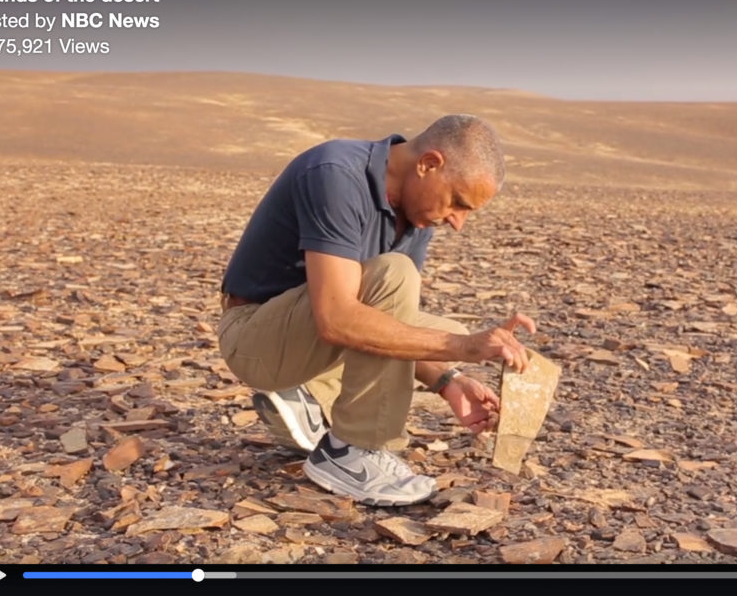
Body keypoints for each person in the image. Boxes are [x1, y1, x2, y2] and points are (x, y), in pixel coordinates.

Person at [217, 114, 536, 507]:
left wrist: (450, 381)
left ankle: (312, 396)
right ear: (429, 164)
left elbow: (393, 318)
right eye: (457, 202)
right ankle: (351, 451)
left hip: (307, 335)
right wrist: (463, 347)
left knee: (447, 329)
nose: (458, 223)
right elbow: (337, 320)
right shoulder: (336, 173)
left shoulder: (416, 217)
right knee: (410, 290)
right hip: (255, 339)